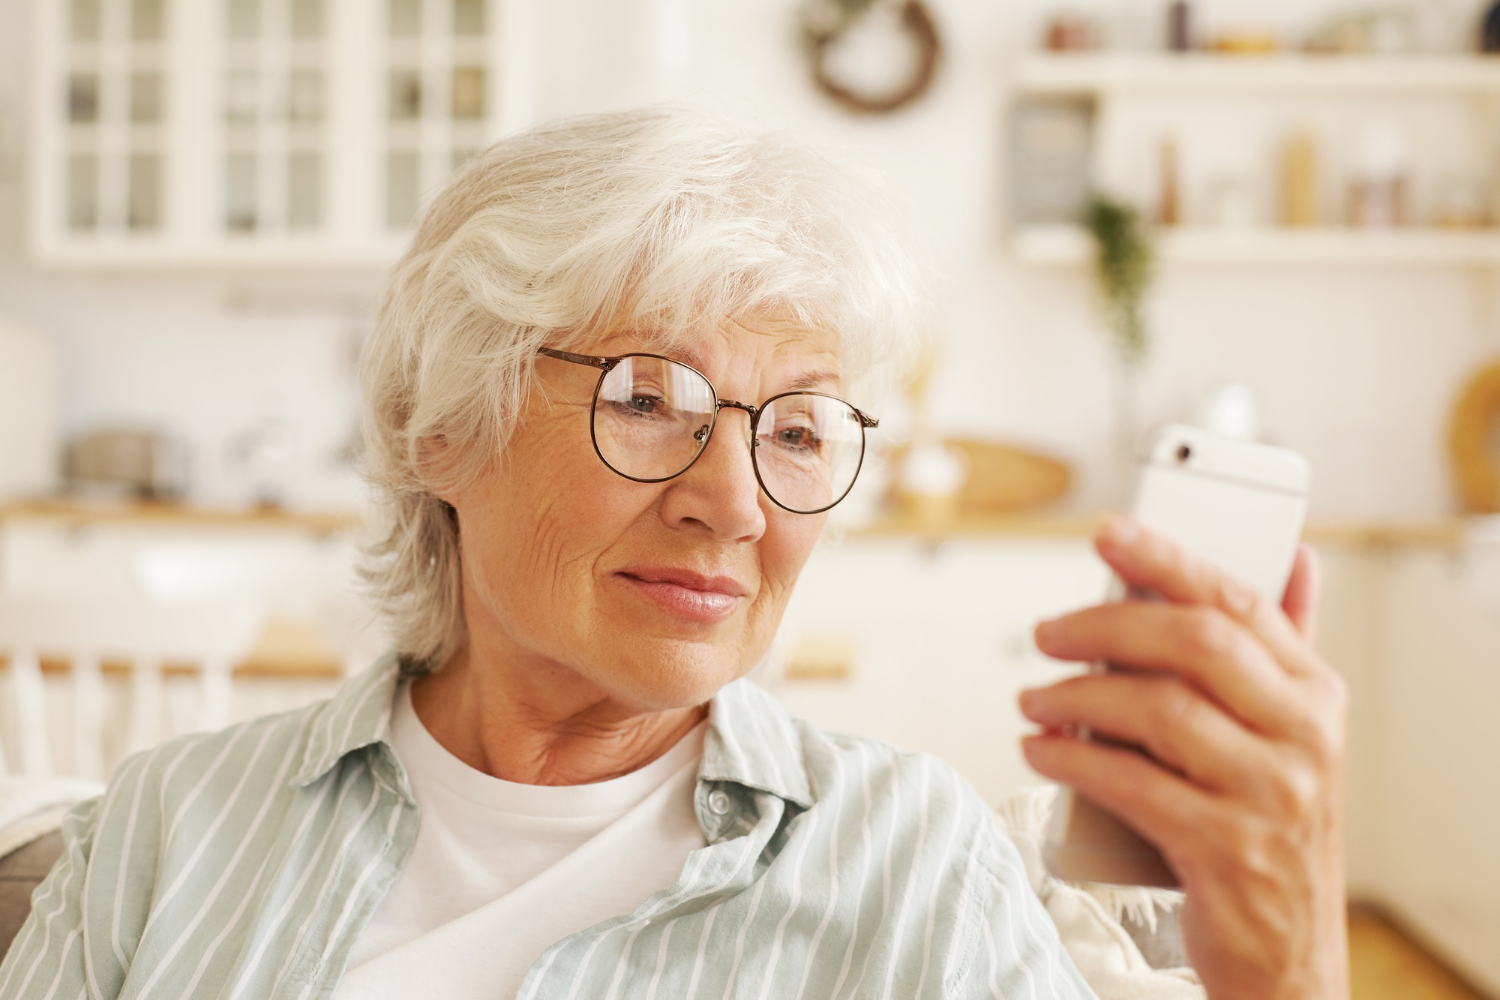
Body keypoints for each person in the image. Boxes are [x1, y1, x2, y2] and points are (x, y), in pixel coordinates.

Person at [0, 108, 1348, 1000]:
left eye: (802, 428)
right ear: (434, 425)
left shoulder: (910, 856)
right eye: (647, 399)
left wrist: (1289, 965)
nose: (737, 503)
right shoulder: (168, 834)